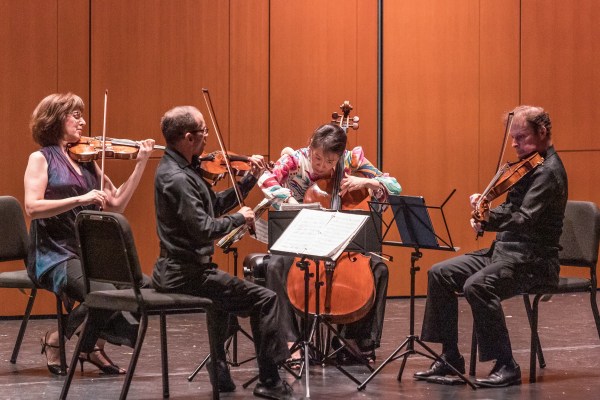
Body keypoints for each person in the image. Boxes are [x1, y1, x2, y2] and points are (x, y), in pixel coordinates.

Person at [414, 105, 567, 388]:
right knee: (440, 273)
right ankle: (450, 358)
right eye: (512, 137)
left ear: (542, 132)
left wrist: (488, 218)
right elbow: (510, 208)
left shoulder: (549, 173)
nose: (514, 144)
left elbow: (524, 217)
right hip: (503, 253)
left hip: (533, 261)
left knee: (478, 286)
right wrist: (484, 213)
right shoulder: (527, 166)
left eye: (520, 137)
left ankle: (506, 365)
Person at [151, 105, 297, 400]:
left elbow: (212, 206)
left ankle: (218, 369)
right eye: (204, 131)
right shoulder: (177, 178)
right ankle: (270, 381)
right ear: (189, 137)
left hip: (184, 270)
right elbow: (205, 228)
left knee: (224, 300)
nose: (208, 137)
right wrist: (239, 219)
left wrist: (246, 183)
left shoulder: (181, 169)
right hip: (185, 274)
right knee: (265, 299)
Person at [24, 93, 156, 375]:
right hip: (53, 253)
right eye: (75, 115)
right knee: (103, 290)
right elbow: (32, 207)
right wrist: (80, 199)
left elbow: (117, 203)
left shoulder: (86, 160)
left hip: (86, 252)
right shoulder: (41, 158)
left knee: (138, 284)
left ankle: (78, 342)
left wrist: (141, 164)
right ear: (56, 119)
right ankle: (75, 343)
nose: (82, 122)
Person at [258, 123, 401, 364]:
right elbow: (266, 179)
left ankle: (355, 340)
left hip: (342, 243)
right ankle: (292, 341)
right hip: (302, 239)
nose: (321, 165)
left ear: (340, 156)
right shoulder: (296, 159)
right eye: (317, 157)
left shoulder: (353, 160)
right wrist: (292, 201)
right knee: (275, 266)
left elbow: (395, 186)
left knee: (379, 269)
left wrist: (366, 183)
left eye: (329, 161)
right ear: (310, 146)